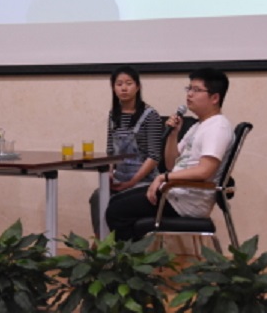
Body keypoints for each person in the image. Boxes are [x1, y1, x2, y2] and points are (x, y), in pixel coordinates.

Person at [105, 67, 234, 241]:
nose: (189, 94)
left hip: (187, 201)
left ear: (215, 98)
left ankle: (131, 256)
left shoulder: (217, 127)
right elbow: (171, 164)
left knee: (117, 211)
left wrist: (163, 178)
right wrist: (173, 134)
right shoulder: (199, 126)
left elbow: (205, 171)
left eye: (196, 90)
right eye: (189, 88)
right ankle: (134, 253)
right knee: (115, 202)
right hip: (175, 192)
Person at [89, 65, 162, 237]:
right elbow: (110, 151)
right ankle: (102, 242)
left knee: (116, 202)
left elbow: (154, 156)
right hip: (120, 178)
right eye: (119, 84)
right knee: (97, 197)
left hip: (145, 180)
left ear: (138, 87)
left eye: (129, 83)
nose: (124, 88)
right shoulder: (113, 115)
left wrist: (131, 182)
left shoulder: (150, 115)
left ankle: (121, 247)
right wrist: (109, 173)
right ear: (113, 87)